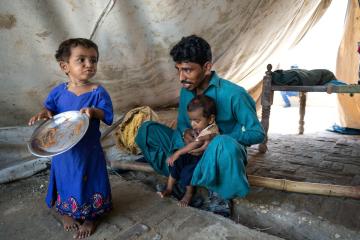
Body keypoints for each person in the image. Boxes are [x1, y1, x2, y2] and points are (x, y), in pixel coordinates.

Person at [135, 35, 265, 200]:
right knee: (146, 130)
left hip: (217, 153)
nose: (181, 77)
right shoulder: (186, 90)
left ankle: (203, 180)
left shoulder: (235, 94)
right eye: (179, 70)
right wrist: (185, 134)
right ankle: (192, 175)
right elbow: (182, 125)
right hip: (192, 151)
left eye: (187, 70)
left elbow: (258, 133)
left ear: (207, 67)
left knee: (224, 144)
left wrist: (215, 139)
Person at [28, 38, 113, 239]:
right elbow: (50, 109)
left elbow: (108, 115)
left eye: (93, 60)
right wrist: (44, 112)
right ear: (65, 66)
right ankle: (66, 212)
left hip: (88, 150)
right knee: (66, 179)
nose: (89, 65)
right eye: (81, 60)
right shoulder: (58, 92)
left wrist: (94, 111)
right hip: (64, 150)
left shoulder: (98, 92)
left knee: (90, 179)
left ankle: (92, 216)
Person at [157, 94, 219, 207]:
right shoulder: (203, 127)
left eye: (197, 121)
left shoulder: (211, 130)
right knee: (176, 162)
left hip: (204, 159)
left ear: (211, 119)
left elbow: (197, 143)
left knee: (187, 171)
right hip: (194, 154)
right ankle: (169, 188)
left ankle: (189, 193)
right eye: (191, 120)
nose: (193, 124)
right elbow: (194, 141)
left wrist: (178, 152)